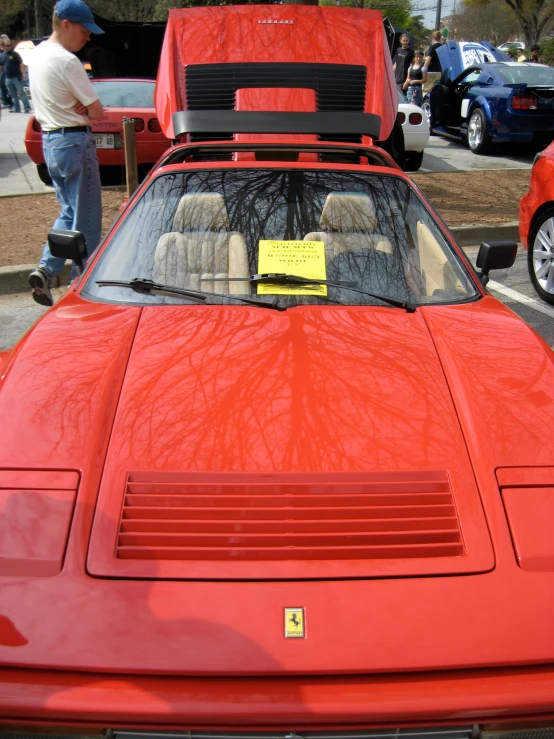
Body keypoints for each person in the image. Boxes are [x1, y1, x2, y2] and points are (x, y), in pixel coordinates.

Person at [27, 0, 105, 307]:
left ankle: (46, 269)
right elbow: (97, 111)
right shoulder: (67, 61)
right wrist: (87, 107)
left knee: (70, 212)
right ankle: (83, 285)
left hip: (52, 143)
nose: (87, 38)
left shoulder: (38, 56)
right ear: (66, 25)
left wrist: (84, 106)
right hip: (74, 141)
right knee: (87, 219)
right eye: (84, 31)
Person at [0, 39, 31, 113]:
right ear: (3, 46)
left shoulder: (15, 54)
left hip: (16, 77)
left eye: (10, 45)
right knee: (13, 94)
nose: (9, 47)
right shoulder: (2, 56)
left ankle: (27, 107)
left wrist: (23, 73)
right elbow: (1, 66)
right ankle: (17, 108)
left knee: (21, 93)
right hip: (8, 78)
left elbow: (21, 64)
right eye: (7, 45)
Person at [423, 30, 443, 94]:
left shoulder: (432, 47)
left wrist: (423, 69)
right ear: (440, 37)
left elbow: (428, 60)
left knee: (427, 90)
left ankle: (427, 102)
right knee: (436, 90)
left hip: (431, 71)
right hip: (439, 72)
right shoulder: (443, 47)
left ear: (433, 38)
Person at [0, 36, 13, 108]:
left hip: (6, 71)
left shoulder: (7, 53)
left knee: (6, 87)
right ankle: (5, 101)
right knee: (2, 86)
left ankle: (8, 102)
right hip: (3, 71)